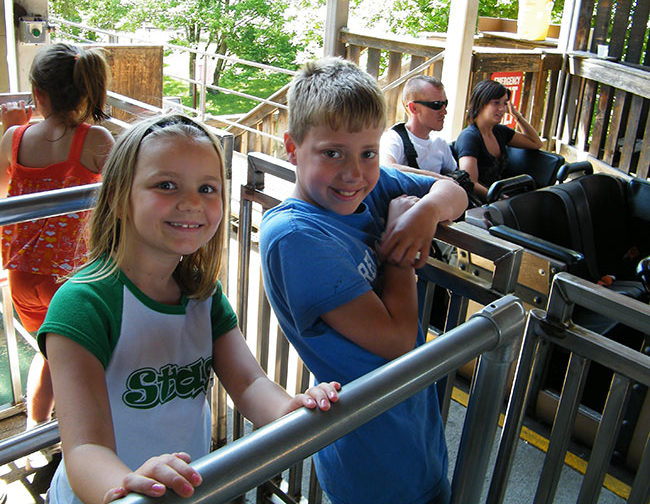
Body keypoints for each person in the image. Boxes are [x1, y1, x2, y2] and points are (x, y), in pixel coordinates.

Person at [37, 114, 340, 504]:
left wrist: (290, 409)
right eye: (166, 185)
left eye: (208, 188)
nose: (192, 203)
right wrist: (129, 487)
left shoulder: (202, 295)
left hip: (182, 492)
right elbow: (84, 449)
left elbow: (248, 384)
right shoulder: (84, 305)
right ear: (117, 195)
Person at [259, 58, 467, 504]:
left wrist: (425, 213)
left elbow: (454, 192)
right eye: (332, 153)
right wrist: (399, 251)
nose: (354, 173)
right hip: (370, 457)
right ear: (293, 148)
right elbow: (396, 340)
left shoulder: (372, 189)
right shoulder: (296, 237)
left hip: (416, 433)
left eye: (368, 153)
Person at [0, 43, 115, 442]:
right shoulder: (96, 139)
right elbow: (121, 198)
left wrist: (9, 129)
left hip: (20, 277)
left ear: (38, 95)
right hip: (72, 279)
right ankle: (63, 436)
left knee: (49, 354)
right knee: (71, 359)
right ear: (87, 91)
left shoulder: (13, 138)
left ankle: (37, 430)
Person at [453, 79, 543, 201]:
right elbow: (470, 182)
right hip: (483, 200)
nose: (502, 109)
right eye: (496, 103)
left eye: (505, 103)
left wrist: (516, 116)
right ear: (481, 103)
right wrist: (497, 198)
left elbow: (535, 143)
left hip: (502, 193)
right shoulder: (469, 137)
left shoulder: (499, 131)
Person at [380, 75, 457, 178]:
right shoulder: (394, 138)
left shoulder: (440, 143)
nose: (444, 112)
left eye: (445, 104)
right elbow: (386, 167)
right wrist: (437, 178)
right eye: (436, 105)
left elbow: (456, 175)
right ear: (413, 108)